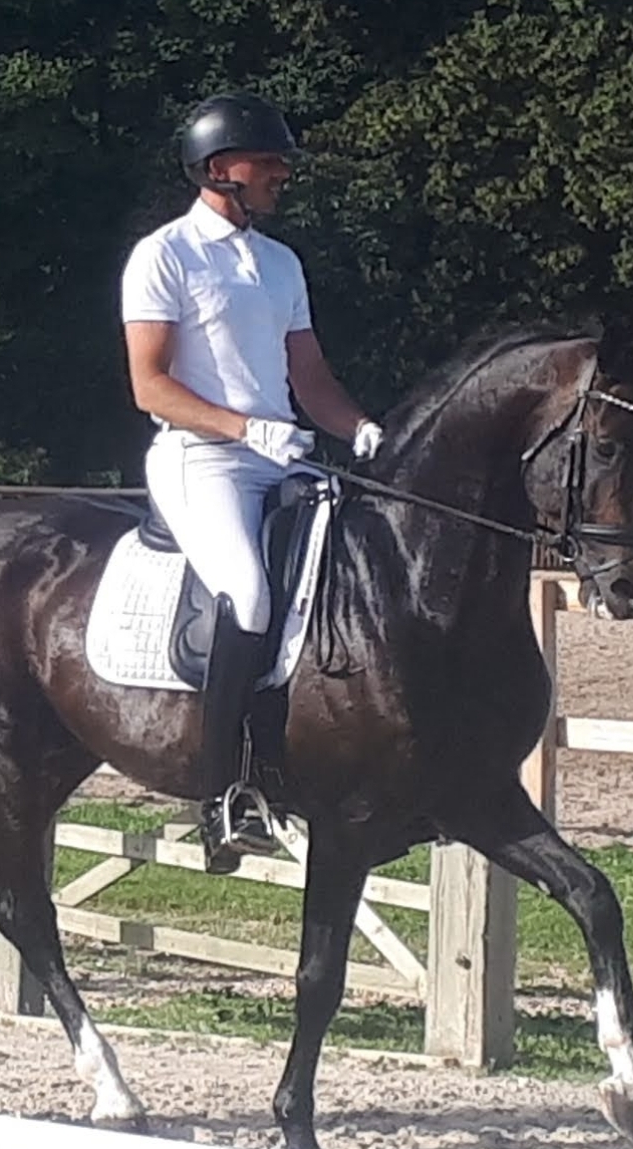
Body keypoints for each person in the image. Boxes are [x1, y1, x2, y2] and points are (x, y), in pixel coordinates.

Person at [120, 92, 383, 875]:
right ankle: (221, 793)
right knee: (249, 594)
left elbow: (310, 376)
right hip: (201, 458)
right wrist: (242, 427)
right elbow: (149, 386)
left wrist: (363, 427)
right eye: (267, 163)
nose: (281, 175)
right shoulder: (164, 255)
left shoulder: (279, 263)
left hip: (285, 454)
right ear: (218, 168)